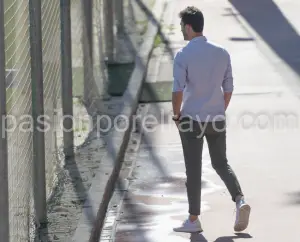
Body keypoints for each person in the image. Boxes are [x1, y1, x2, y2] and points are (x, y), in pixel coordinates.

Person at [171, 6, 251, 233]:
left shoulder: (183, 55)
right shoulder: (222, 53)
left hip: (191, 120)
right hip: (216, 118)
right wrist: (218, 110)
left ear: (188, 27)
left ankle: (194, 221)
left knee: (193, 169)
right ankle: (240, 201)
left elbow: (177, 91)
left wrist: (177, 115)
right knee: (221, 163)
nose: (181, 31)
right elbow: (229, 88)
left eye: (181, 27)